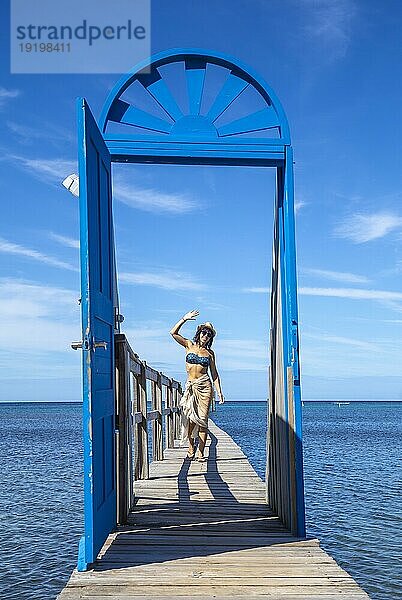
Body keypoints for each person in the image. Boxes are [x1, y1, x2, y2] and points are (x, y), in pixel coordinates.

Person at [170, 309, 224, 461]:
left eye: (208, 334)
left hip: (205, 386)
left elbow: (214, 374)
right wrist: (184, 318)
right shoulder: (188, 345)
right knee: (191, 418)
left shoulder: (210, 354)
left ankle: (200, 452)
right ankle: (191, 446)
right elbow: (173, 333)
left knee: (203, 419)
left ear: (210, 338)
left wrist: (219, 392)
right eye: (204, 332)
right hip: (191, 386)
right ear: (199, 332)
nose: (205, 336)